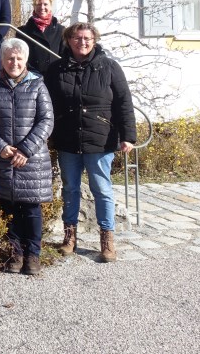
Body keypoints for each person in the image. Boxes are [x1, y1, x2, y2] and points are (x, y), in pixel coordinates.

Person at [43, 22, 137, 263]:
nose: (81, 42)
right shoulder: (56, 69)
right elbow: (47, 105)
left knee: (102, 190)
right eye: (76, 38)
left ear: (94, 40)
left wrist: (128, 136)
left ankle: (106, 239)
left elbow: (124, 102)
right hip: (68, 139)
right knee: (70, 189)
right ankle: (70, 237)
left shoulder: (109, 67)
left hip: (101, 139)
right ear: (68, 40)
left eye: (86, 38)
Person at [0, 38, 54, 275]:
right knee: (9, 208)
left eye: (19, 58)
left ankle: (33, 255)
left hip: (31, 160)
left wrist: (25, 150)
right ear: (2, 60)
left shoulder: (38, 85)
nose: (15, 62)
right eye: (10, 58)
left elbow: (46, 120)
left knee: (31, 210)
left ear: (26, 60)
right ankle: (15, 254)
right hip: (3, 160)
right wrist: (0, 146)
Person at [16, 0, 66, 75]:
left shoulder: (60, 30)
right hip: (32, 78)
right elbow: (20, 57)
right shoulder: (23, 31)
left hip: (54, 77)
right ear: (34, 6)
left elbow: (64, 56)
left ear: (51, 5)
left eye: (45, 4)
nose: (42, 7)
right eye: (38, 4)